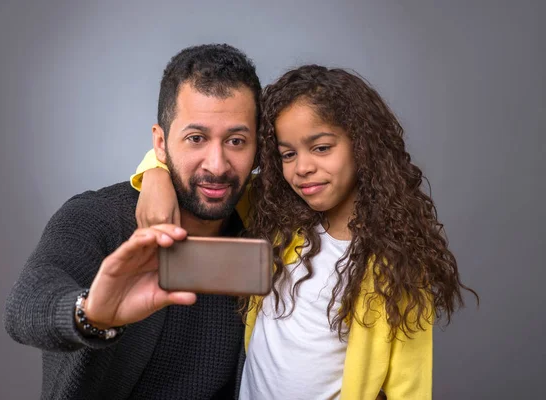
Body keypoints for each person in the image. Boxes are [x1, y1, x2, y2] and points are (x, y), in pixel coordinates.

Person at [134, 65, 477, 399]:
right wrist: (155, 177)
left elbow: (410, 384)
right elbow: (203, 172)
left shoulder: (397, 264)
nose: (303, 168)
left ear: (362, 146)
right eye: (288, 154)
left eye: (322, 148)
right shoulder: (277, 218)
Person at [3, 43, 262, 400]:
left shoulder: (264, 232)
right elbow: (26, 304)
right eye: (196, 139)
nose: (216, 165)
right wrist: (92, 315)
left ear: (257, 147)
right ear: (160, 143)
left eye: (236, 141)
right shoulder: (98, 216)